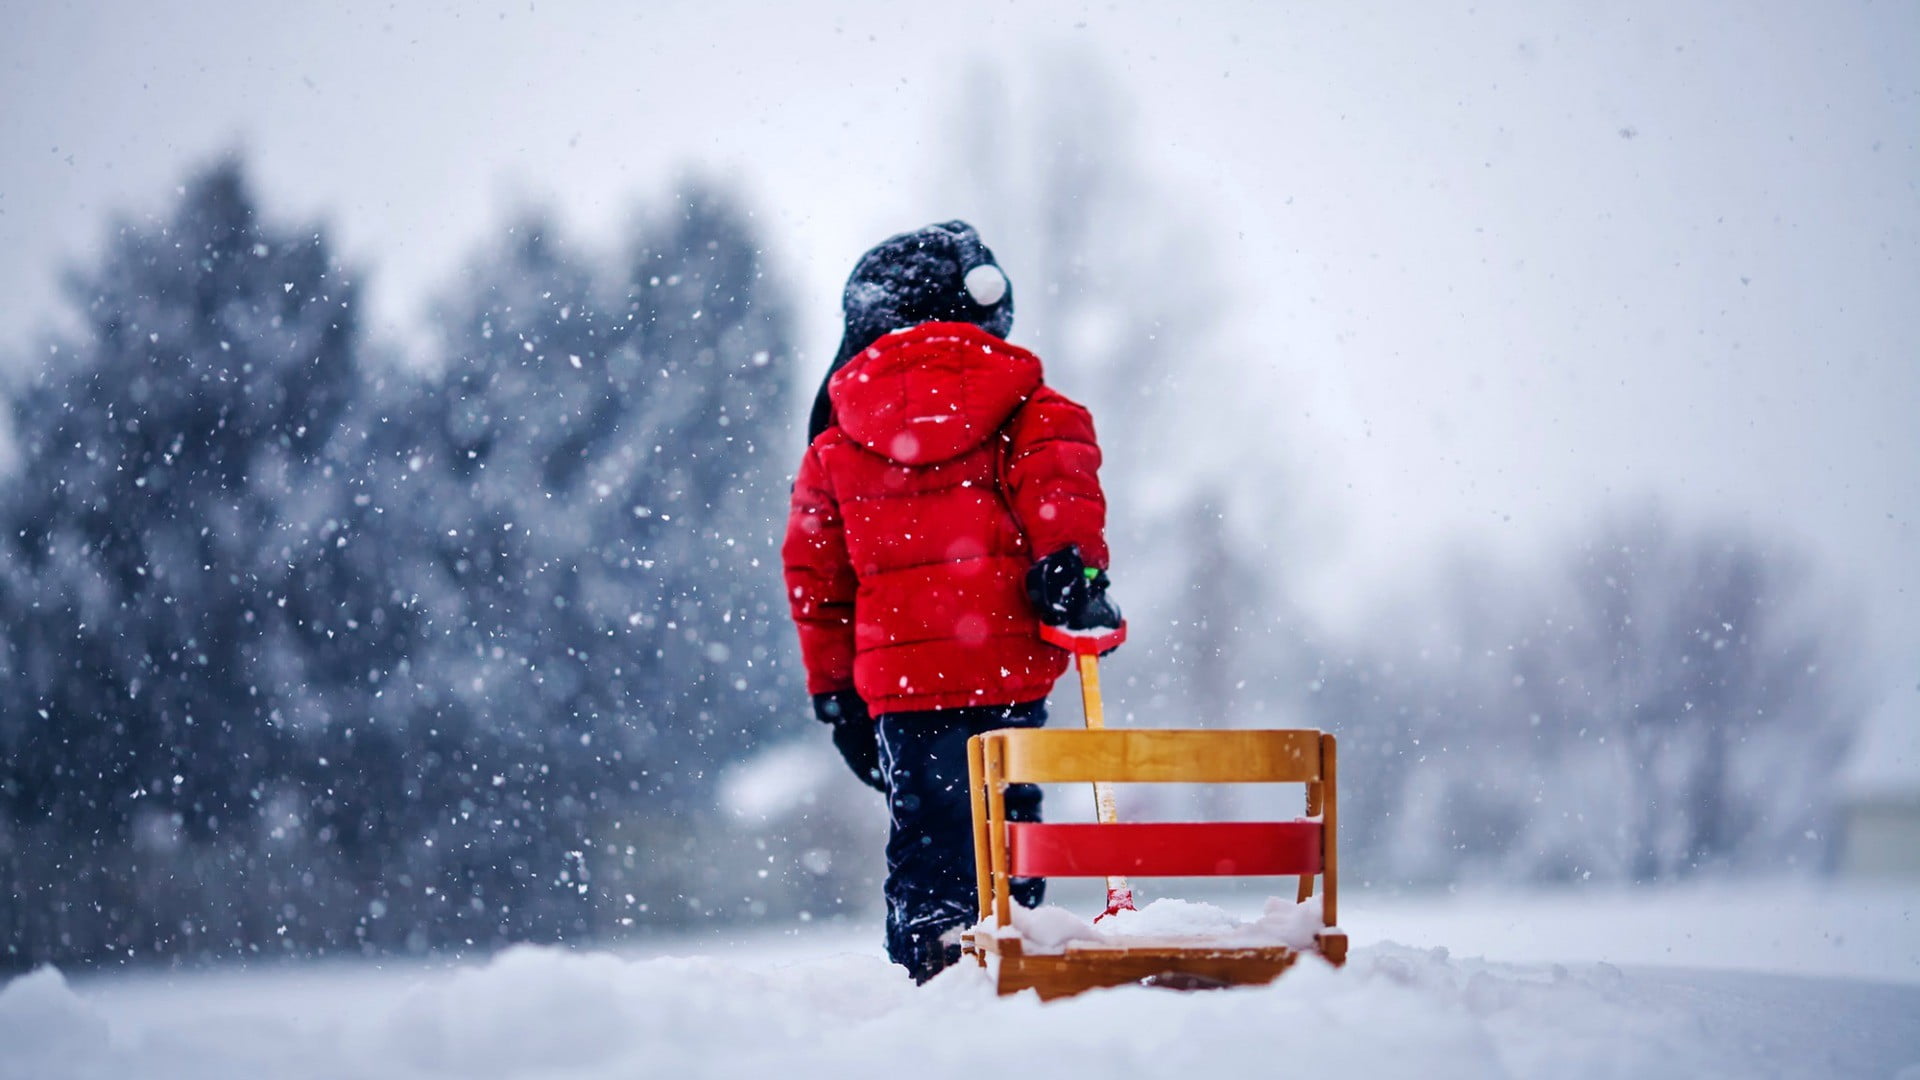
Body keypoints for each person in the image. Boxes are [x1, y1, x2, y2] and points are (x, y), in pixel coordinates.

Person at [782, 221, 1122, 983]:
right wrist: (1077, 574)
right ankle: (1014, 950)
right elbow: (1062, 493)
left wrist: (835, 693)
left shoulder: (834, 445)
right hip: (1007, 667)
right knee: (1008, 825)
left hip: (902, 689)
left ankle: (933, 959)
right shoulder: (1033, 408)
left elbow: (817, 579)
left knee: (928, 831)